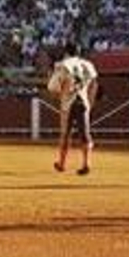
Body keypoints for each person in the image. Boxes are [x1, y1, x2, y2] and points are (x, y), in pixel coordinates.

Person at [46, 42, 99, 175]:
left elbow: (53, 87)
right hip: (83, 101)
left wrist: (59, 93)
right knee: (85, 133)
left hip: (68, 103)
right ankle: (86, 163)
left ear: (66, 52)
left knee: (65, 134)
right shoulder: (87, 65)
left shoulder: (63, 65)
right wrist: (90, 101)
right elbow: (94, 83)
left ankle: (62, 163)